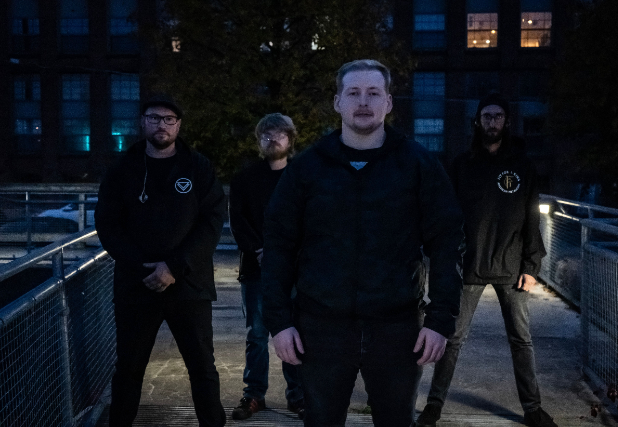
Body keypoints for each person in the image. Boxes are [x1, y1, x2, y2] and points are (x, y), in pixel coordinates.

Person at [261, 59, 464, 427]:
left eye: (373, 93)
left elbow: (447, 242)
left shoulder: (418, 164)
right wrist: (279, 321)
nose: (363, 102)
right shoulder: (307, 168)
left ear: (388, 102)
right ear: (337, 102)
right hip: (321, 328)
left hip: (396, 328)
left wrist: (439, 321)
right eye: (353, 93)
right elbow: (278, 245)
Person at [415, 93, 557, 427]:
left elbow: (531, 218)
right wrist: (445, 258)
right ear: (477, 122)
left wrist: (531, 266)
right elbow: (447, 215)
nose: (492, 122)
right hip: (470, 266)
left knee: (521, 341)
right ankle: (434, 406)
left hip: (511, 267)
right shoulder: (462, 165)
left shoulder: (522, 166)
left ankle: (532, 409)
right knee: (452, 340)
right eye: (486, 116)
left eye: (498, 116)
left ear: (506, 122)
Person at [95, 95, 227, 427]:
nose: (162, 125)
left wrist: (174, 267)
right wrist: (144, 267)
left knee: (202, 367)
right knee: (129, 368)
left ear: (178, 125)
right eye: (154, 118)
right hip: (137, 286)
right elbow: (108, 225)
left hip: (190, 285)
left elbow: (211, 222)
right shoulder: (122, 169)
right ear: (143, 122)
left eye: (169, 119)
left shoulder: (198, 166)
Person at [229, 113, 304, 420]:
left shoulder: (302, 175)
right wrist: (260, 251)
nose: (273, 139)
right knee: (257, 335)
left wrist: (288, 255)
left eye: (279, 134)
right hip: (256, 270)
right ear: (259, 140)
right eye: (266, 134)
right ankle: (253, 395)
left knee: (295, 332)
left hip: (296, 271)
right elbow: (238, 221)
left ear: (290, 139)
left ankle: (298, 396)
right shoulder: (246, 178)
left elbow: (311, 219)